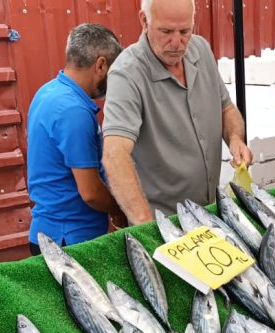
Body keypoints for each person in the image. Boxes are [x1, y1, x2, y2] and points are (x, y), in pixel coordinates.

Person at [101, 0, 252, 224]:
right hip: (168, 224)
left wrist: (235, 138)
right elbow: (115, 154)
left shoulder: (200, 49)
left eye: (185, 31)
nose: (177, 42)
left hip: (212, 212)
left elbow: (226, 107)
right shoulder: (126, 74)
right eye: (166, 31)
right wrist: (145, 224)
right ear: (144, 21)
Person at [26, 23, 123, 255]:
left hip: (46, 231)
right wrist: (119, 210)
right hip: (71, 240)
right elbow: (90, 192)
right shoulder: (74, 111)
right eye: (114, 72)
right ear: (101, 65)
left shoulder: (47, 92)